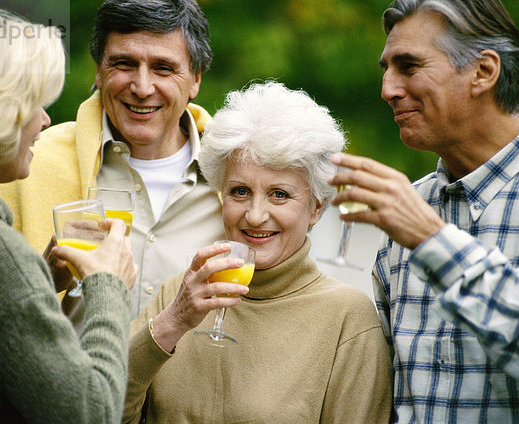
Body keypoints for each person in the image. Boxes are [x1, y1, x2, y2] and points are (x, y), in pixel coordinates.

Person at [122, 81, 392, 423]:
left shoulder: (348, 319)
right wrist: (172, 322)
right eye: (239, 191)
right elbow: (103, 411)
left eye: (279, 194)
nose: (254, 215)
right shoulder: (177, 296)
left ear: (316, 209)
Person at [0, 4, 137, 422]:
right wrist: (108, 287)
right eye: (35, 104)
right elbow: (90, 412)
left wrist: (37, 279)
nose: (45, 119)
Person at [328, 0, 519, 421]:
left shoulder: (412, 221)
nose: (388, 90)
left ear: (483, 72)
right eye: (386, 69)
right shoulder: (406, 208)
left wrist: (432, 240)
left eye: (409, 66)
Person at [0, 0, 224, 319]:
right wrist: (44, 279)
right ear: (99, 72)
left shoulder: (235, 178)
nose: (142, 88)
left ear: (195, 79)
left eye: (163, 68)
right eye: (124, 64)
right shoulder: (24, 165)